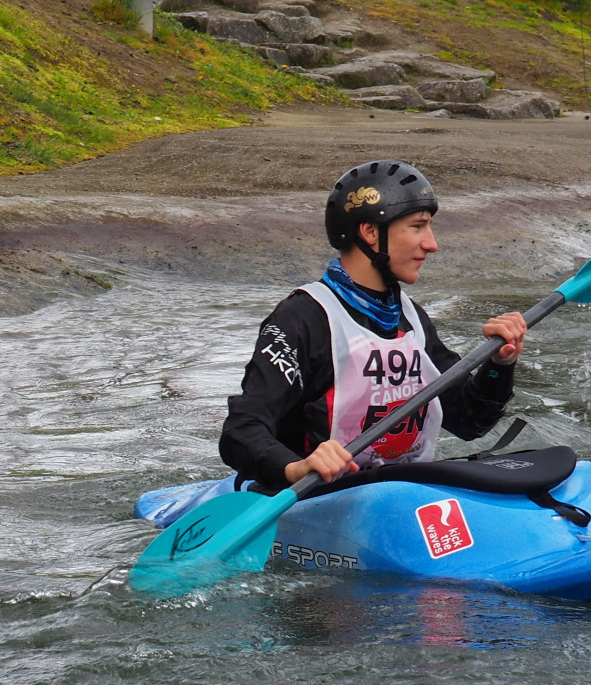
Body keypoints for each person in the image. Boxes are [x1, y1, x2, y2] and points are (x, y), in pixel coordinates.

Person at [219, 160, 529, 492]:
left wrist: (500, 364)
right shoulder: (303, 319)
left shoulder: (410, 319)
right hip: (315, 499)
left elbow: (469, 421)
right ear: (370, 232)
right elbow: (241, 430)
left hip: (393, 494)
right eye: (417, 226)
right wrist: (295, 467)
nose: (431, 243)